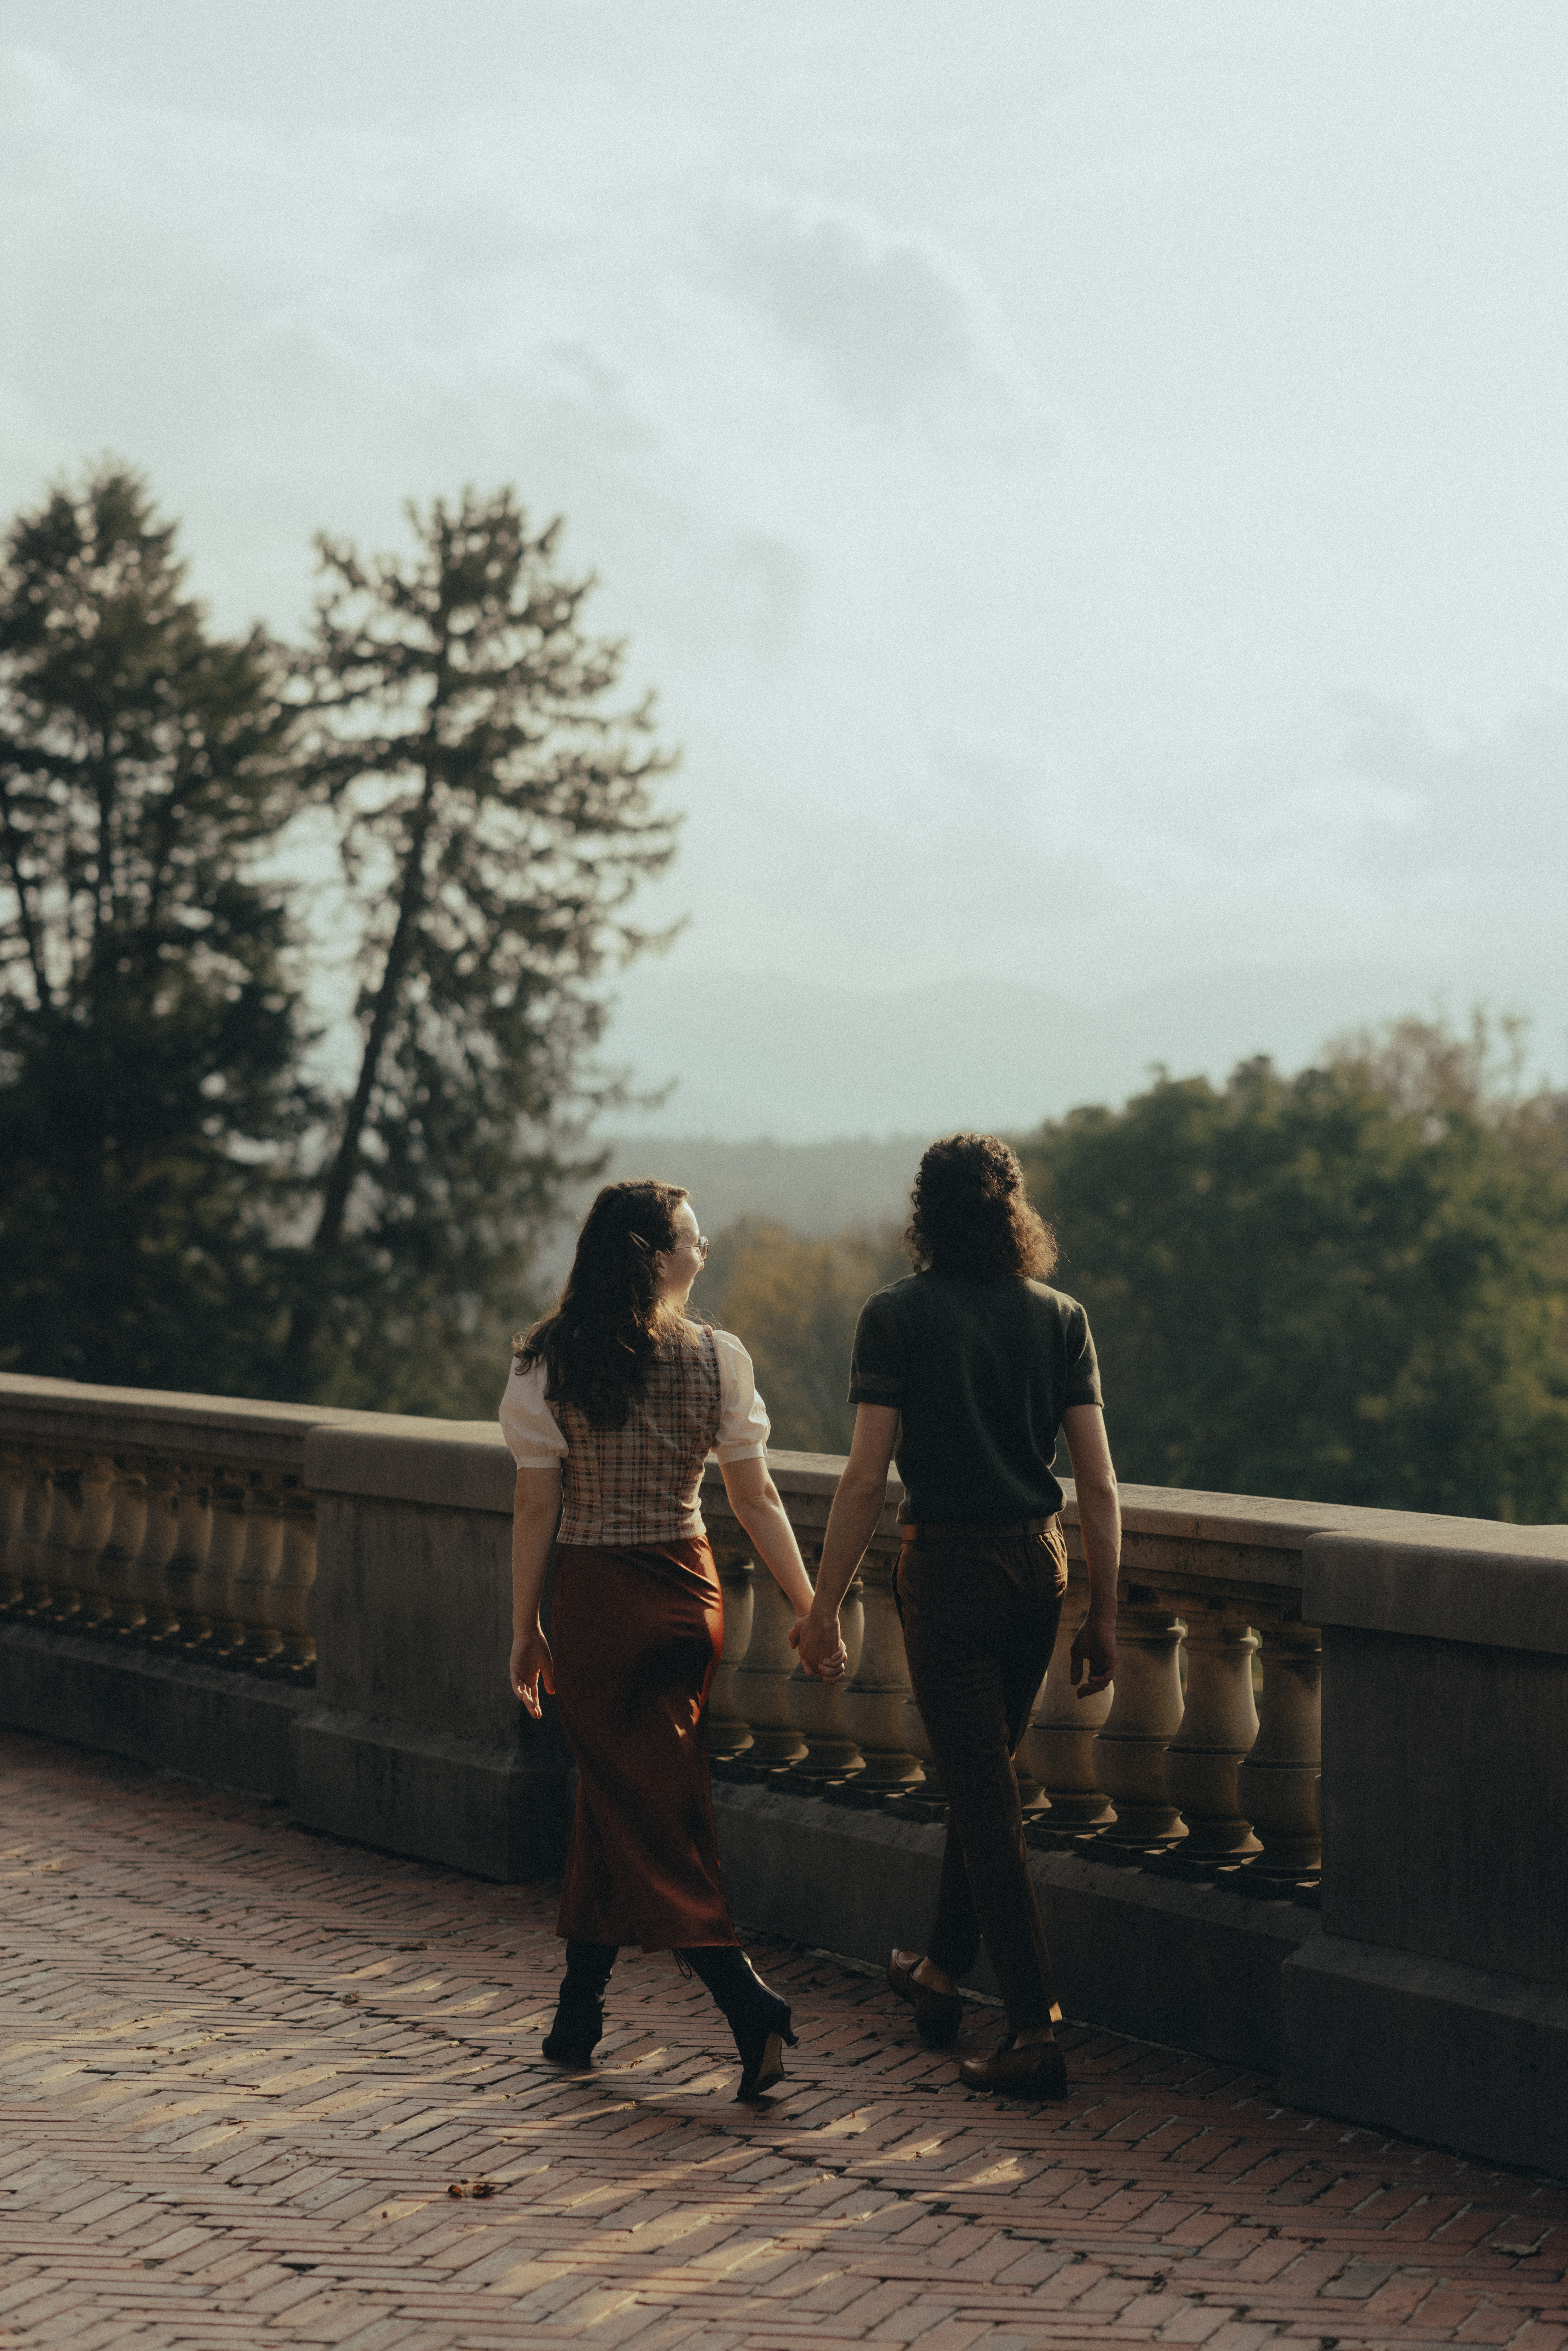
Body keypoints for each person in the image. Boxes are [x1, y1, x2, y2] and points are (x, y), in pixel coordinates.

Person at [501, 1178, 846, 2100]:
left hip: (599, 1601)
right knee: (623, 1793)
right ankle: (579, 2011)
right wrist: (810, 1607)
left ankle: (746, 2003)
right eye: (693, 1240)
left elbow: (538, 1504)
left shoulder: (548, 1362)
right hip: (689, 1598)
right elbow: (755, 1496)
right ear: (656, 1256)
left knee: (635, 1799)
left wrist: (525, 1626)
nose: (704, 1253)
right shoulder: (718, 1357)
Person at [794, 1133, 1120, 2100]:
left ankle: (1034, 2028)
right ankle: (940, 1971)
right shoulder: (1063, 1317)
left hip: (949, 1574)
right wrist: (1107, 1612)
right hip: (1040, 1568)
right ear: (1016, 1214)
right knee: (983, 1779)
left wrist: (820, 1604)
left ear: (925, 1216)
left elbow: (863, 1479)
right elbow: (1098, 1483)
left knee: (985, 1795)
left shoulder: (896, 1316)